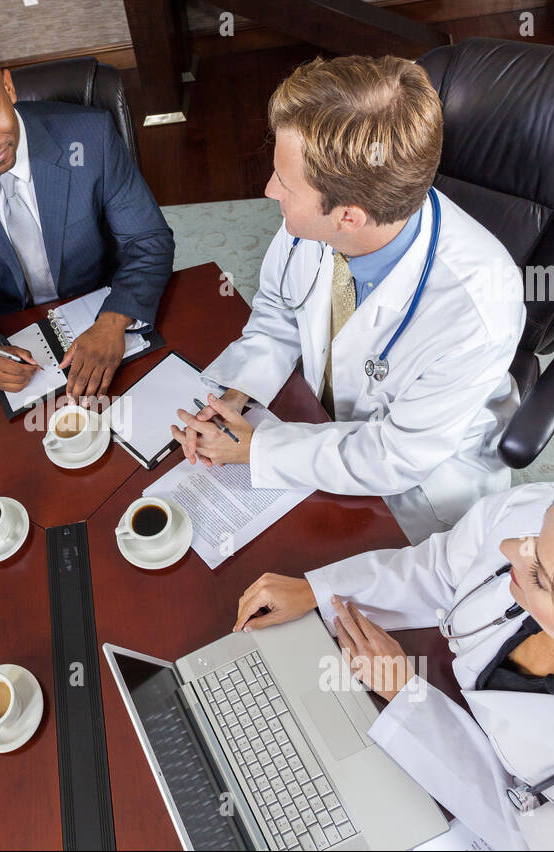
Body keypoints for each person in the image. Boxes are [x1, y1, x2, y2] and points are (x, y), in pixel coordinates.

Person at [234, 474, 554, 849]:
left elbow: (524, 830)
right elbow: (442, 566)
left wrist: (410, 698)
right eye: (539, 527)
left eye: (536, 574)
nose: (510, 547)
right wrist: (317, 591)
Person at [172, 55, 523, 543]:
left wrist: (260, 450)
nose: (269, 189)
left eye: (286, 186)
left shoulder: (478, 309)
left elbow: (392, 457)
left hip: (419, 485)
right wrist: (237, 392)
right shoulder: (318, 222)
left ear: (349, 218)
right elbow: (278, 310)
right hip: (321, 419)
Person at [0, 31, 175, 400]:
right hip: (10, 325)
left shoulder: (91, 137)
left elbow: (148, 240)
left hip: (100, 300)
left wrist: (113, 321)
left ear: (8, 87)